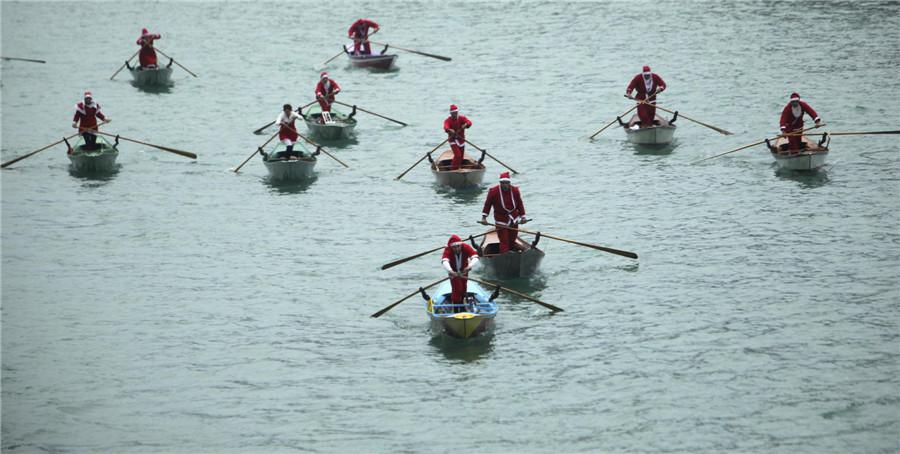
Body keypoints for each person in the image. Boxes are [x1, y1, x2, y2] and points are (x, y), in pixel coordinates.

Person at [481, 172, 527, 253]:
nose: (505, 185)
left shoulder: (515, 191)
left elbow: (520, 204)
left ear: (509, 183)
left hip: (514, 218)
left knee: (512, 240)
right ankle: (505, 256)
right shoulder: (493, 192)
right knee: (504, 241)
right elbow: (487, 204)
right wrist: (484, 218)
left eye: (506, 183)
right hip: (501, 220)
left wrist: (523, 217)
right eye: (503, 183)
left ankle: (516, 252)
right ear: (500, 183)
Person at [441, 234, 480, 311]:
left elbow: (475, 257)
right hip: (453, 272)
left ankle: (462, 306)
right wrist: (451, 271)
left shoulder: (466, 247)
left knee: (464, 288)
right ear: (451, 247)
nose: (457, 249)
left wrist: (469, 266)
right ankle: (455, 308)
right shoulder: (448, 249)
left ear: (461, 245)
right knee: (457, 289)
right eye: (454, 247)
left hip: (464, 270)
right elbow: (445, 261)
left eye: (458, 246)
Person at [443, 104, 473, 170]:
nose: (454, 114)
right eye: (453, 113)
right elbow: (445, 126)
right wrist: (449, 130)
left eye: (455, 113)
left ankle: (459, 167)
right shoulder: (448, 120)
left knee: (461, 157)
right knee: (458, 155)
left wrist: (466, 124)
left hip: (461, 139)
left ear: (457, 112)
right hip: (452, 140)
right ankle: (453, 169)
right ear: (451, 114)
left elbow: (470, 122)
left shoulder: (462, 118)